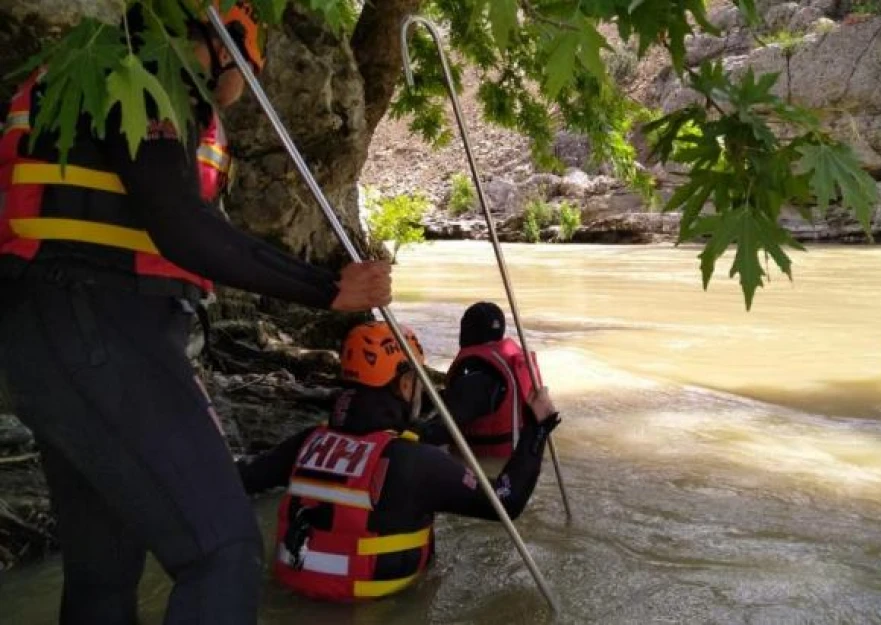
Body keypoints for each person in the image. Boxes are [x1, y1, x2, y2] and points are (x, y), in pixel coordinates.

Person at [0, 2, 391, 623]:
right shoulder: (149, 72)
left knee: (104, 577)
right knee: (224, 553)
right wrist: (327, 289)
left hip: (48, 344)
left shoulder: (88, 71)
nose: (240, 93)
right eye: (247, 73)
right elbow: (184, 228)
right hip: (101, 329)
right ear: (222, 43)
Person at [236, 320, 561, 601]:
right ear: (405, 384)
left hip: (292, 593)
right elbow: (507, 500)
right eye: (416, 381)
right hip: (376, 608)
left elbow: (241, 479)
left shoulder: (308, 441)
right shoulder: (415, 462)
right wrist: (538, 429)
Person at [417, 301, 544, 476]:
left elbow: (445, 428)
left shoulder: (477, 374)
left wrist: (406, 435)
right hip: (519, 464)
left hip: (484, 469)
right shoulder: (512, 363)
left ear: (466, 332)